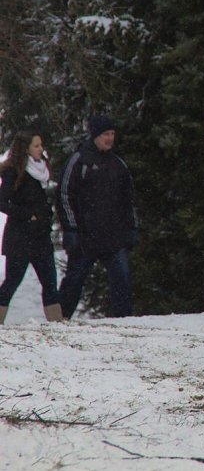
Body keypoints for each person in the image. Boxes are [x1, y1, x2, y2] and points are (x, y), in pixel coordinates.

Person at [57, 115, 138, 319]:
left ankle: (124, 321)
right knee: (74, 280)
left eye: (112, 134)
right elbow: (64, 195)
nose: (110, 138)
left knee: (122, 280)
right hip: (86, 237)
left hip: (114, 236)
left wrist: (131, 228)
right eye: (105, 134)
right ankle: (59, 320)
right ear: (94, 135)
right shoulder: (79, 160)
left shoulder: (118, 164)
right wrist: (71, 229)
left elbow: (128, 199)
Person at [0, 131, 62, 324]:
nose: (41, 149)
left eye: (41, 145)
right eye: (36, 146)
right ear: (25, 149)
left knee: (50, 281)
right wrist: (27, 215)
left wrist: (45, 214)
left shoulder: (42, 170)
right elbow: (2, 202)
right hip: (20, 237)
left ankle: (56, 323)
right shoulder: (13, 171)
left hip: (41, 235)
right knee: (12, 281)